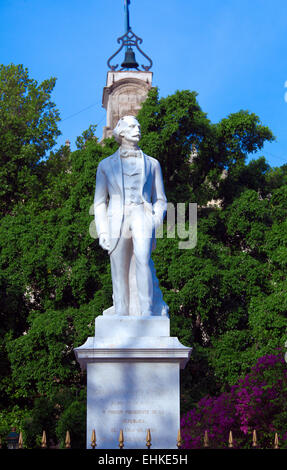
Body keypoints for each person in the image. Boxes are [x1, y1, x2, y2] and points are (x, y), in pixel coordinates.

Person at [94, 115, 168, 317]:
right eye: (133, 126)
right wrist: (102, 232)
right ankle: (121, 312)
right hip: (116, 218)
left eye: (139, 125)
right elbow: (100, 202)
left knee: (143, 260)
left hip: (142, 214)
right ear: (122, 132)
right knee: (119, 268)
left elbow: (161, 199)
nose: (138, 129)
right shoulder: (105, 165)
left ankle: (147, 311)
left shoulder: (153, 164)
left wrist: (155, 219)